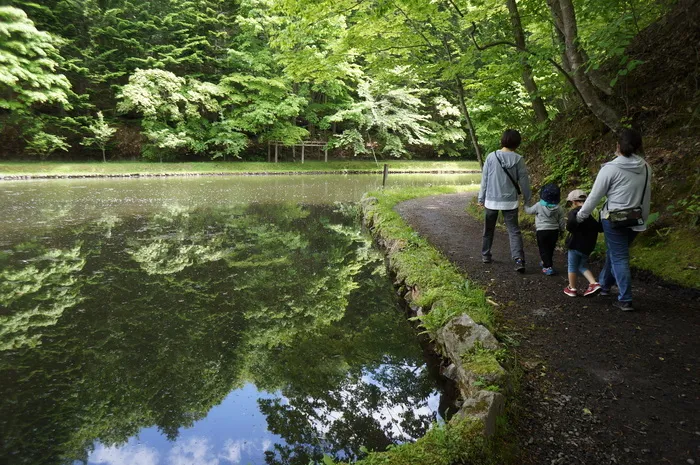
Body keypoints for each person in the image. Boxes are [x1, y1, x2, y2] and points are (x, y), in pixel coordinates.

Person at [576, 129, 652, 311]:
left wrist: (581, 215)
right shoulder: (646, 167)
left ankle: (625, 299)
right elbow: (646, 196)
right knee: (615, 253)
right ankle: (604, 284)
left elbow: (594, 196)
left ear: (618, 146)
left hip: (614, 219)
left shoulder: (610, 168)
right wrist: (644, 219)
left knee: (619, 256)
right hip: (636, 218)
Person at [478, 129, 532, 272]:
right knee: (514, 231)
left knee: (488, 229)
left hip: (491, 201)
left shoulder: (491, 157)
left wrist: (481, 198)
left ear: (503, 140)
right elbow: (525, 182)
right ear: (517, 143)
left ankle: (486, 255)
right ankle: (519, 260)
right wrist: (528, 200)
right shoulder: (518, 159)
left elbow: (485, 180)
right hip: (510, 202)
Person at [563, 189, 602, 297]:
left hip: (575, 244)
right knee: (581, 265)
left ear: (574, 202)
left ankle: (572, 288)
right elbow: (600, 227)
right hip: (588, 246)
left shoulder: (575, 212)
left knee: (572, 266)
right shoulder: (594, 211)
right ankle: (594, 283)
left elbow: (570, 225)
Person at [524, 183, 565, 275]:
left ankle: (547, 267)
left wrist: (526, 204)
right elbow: (562, 221)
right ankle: (546, 262)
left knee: (543, 248)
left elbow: (529, 211)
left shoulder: (539, 205)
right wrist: (562, 231)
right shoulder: (559, 208)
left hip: (542, 231)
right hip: (554, 231)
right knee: (550, 248)